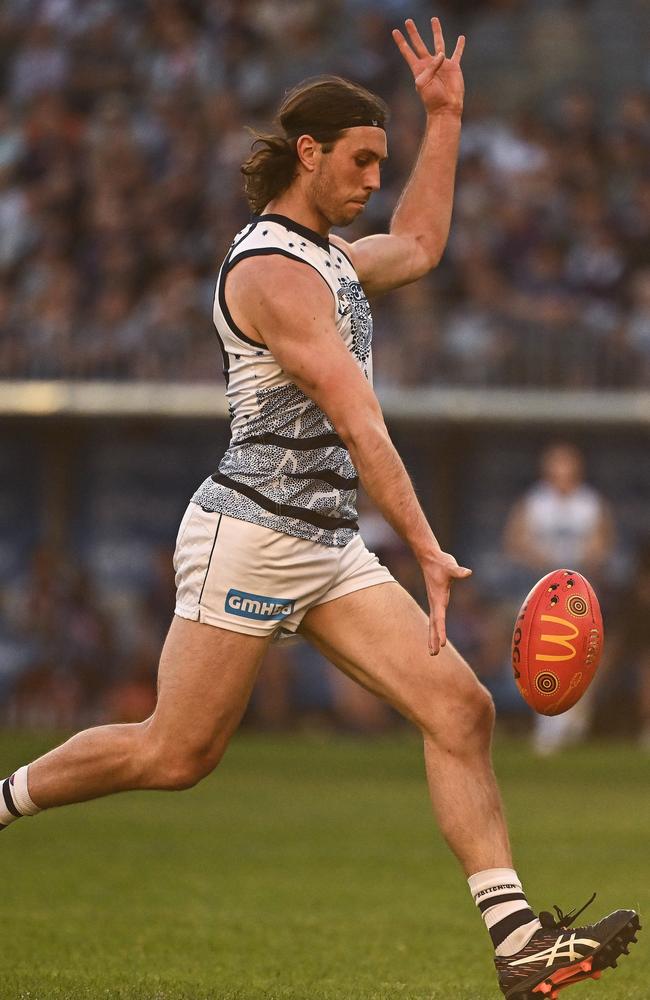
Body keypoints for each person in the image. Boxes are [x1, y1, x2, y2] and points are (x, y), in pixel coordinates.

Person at [0, 18, 639, 998]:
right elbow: (356, 416)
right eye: (360, 159)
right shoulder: (269, 270)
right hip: (248, 534)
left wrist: (444, 119)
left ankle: (517, 944)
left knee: (459, 708)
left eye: (382, 160)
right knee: (176, 754)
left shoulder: (331, 258)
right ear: (308, 153)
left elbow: (421, 244)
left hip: (323, 542)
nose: (372, 177)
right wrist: (424, 546)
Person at [503, 441, 615, 755]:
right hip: (538, 596)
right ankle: (548, 721)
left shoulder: (590, 503)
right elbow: (514, 541)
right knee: (538, 654)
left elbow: (603, 544)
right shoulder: (534, 502)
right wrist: (542, 559)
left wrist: (580, 561)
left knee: (586, 654)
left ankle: (573, 716)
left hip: (581, 599)